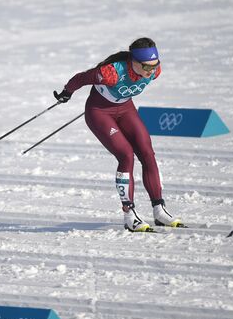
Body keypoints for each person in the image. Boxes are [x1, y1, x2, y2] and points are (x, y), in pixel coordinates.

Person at [53, 37, 184, 232]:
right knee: (126, 155)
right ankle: (129, 215)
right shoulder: (111, 73)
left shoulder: (155, 70)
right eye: (147, 67)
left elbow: (148, 72)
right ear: (134, 62)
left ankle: (159, 211)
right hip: (99, 113)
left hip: (125, 110)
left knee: (147, 153)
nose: (151, 71)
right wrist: (67, 92)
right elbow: (81, 78)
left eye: (154, 65)